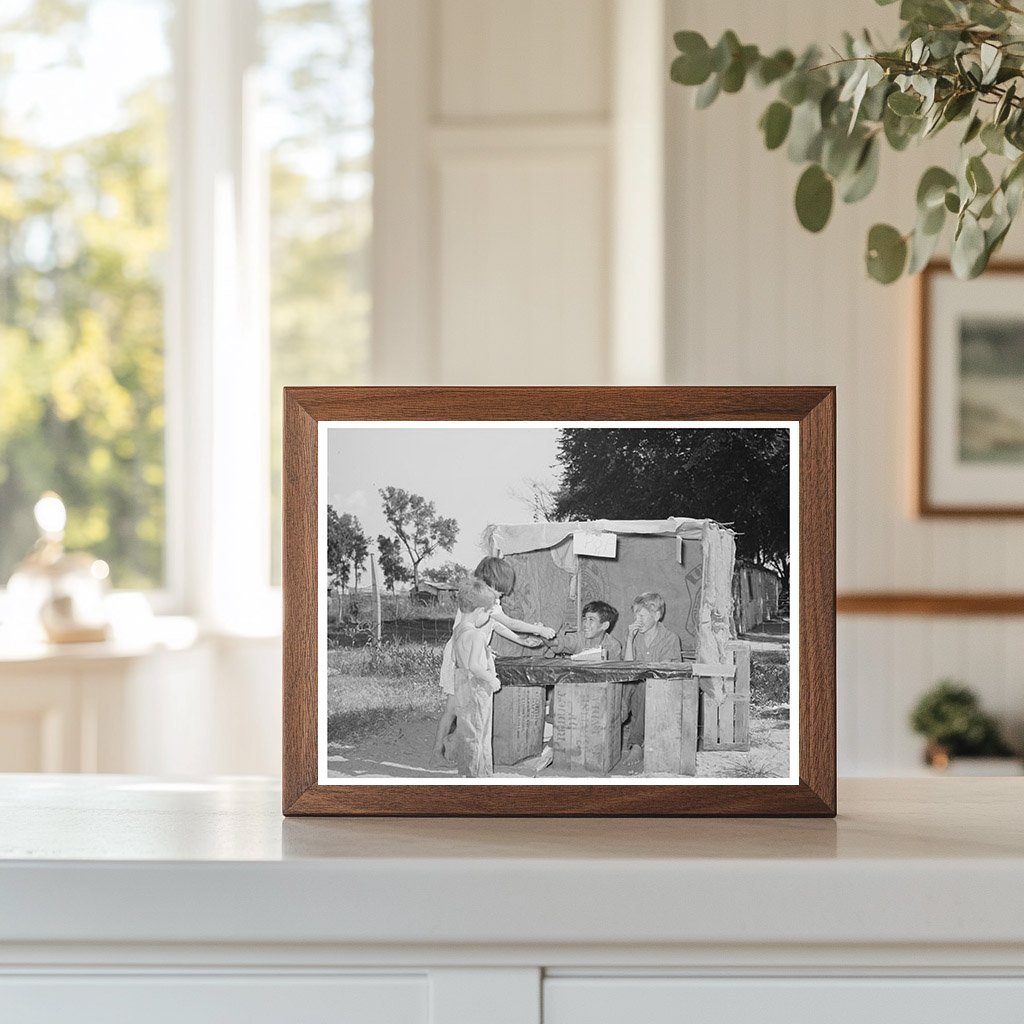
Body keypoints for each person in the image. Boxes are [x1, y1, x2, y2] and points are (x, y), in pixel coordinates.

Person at [430, 556, 556, 766]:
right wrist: (539, 630)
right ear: (491, 582)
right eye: (500, 590)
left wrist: (521, 640)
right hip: (460, 656)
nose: (502, 595)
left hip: (470, 653)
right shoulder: (479, 598)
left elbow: (497, 624)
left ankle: (453, 746)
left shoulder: (488, 600)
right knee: (453, 709)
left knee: (467, 708)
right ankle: (438, 752)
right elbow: (509, 622)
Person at [620, 592, 683, 767]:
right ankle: (621, 715)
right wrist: (629, 639)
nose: (637, 620)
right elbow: (627, 669)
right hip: (634, 685)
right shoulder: (634, 636)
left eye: (642, 616)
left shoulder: (670, 638)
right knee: (625, 687)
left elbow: (666, 674)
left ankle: (636, 743)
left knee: (645, 687)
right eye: (635, 615)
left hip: (662, 689)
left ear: (656, 616)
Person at [450, 578, 503, 777]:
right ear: (480, 611)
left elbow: (457, 658)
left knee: (467, 730)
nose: (488, 618)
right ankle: (480, 776)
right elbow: (474, 666)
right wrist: (491, 679)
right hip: (477, 687)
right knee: (480, 732)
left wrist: (485, 654)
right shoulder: (477, 634)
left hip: (461, 684)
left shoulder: (458, 630)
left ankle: (466, 772)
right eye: (488, 613)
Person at [552, 600, 622, 661]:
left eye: (591, 619)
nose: (585, 624)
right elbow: (559, 642)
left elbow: (617, 670)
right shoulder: (579, 638)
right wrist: (546, 635)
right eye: (585, 619)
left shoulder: (613, 645)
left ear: (604, 625)